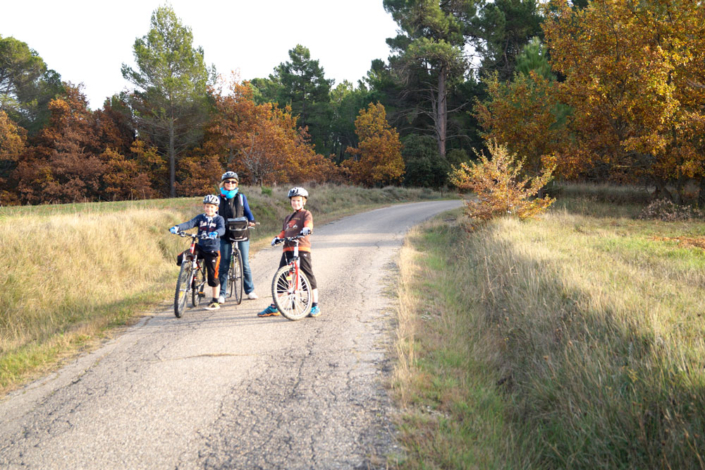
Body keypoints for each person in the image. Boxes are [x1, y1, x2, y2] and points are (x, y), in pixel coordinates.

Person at [258, 186, 321, 318]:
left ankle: (315, 305)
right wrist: (277, 238)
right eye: (293, 200)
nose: (295, 203)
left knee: (308, 276)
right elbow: (284, 232)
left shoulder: (306, 214)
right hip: (288, 248)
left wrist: (306, 229)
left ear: (304, 201)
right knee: (281, 277)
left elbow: (308, 225)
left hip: (301, 247)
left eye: (298, 200)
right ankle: (274, 306)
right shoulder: (288, 217)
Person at [169, 194, 225, 311]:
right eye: (207, 206)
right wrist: (177, 227)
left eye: (211, 207)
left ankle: (215, 301)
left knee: (213, 275)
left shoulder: (219, 219)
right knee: (183, 256)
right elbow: (189, 223)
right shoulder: (200, 218)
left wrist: (216, 233)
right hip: (200, 247)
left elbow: (222, 229)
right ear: (204, 207)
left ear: (216, 208)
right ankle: (190, 273)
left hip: (212, 250)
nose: (209, 209)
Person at [217, 171, 258, 304]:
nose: (230, 184)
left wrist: (251, 220)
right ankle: (222, 293)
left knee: (245, 263)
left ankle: (250, 290)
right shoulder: (218, 199)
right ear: (223, 183)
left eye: (233, 182)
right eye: (228, 182)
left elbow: (248, 212)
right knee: (224, 263)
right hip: (225, 234)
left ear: (237, 184)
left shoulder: (241, 198)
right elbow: (213, 214)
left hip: (241, 232)